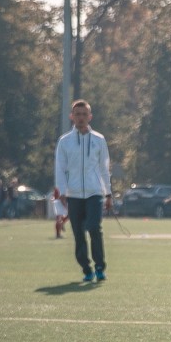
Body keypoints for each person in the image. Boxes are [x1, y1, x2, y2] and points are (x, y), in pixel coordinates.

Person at [55, 99, 113, 284]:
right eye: (77, 114)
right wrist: (62, 191)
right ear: (72, 117)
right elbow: (60, 168)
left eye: (84, 114)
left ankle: (99, 267)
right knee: (78, 233)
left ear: (90, 116)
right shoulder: (65, 142)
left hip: (94, 192)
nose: (81, 118)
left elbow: (104, 168)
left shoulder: (99, 139)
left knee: (94, 227)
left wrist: (108, 193)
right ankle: (86, 268)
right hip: (73, 194)